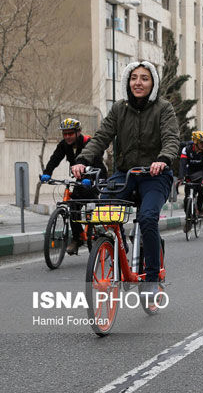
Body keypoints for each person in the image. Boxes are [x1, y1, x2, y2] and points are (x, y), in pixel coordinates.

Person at [72, 61, 179, 297]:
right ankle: (117, 244)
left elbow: (171, 138)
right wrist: (82, 160)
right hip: (125, 174)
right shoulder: (119, 109)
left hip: (155, 175)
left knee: (148, 218)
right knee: (103, 211)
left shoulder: (164, 108)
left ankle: (151, 278)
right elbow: (101, 137)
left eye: (144, 78)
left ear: (153, 83)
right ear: (127, 82)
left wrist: (163, 159)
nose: (138, 83)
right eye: (134, 78)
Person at [40, 118, 108, 254]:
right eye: (65, 134)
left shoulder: (89, 143)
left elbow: (95, 163)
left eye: (70, 133)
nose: (67, 137)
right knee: (73, 206)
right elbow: (55, 159)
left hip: (95, 176)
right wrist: (47, 173)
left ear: (78, 132)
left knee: (90, 203)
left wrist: (90, 179)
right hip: (79, 178)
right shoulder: (64, 145)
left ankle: (97, 232)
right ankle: (77, 239)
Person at [178, 130, 203, 232]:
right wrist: (181, 178)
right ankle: (188, 220)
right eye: (201, 142)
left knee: (202, 191)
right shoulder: (186, 150)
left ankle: (200, 210)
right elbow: (182, 165)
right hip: (190, 174)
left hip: (201, 174)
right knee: (187, 198)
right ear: (195, 142)